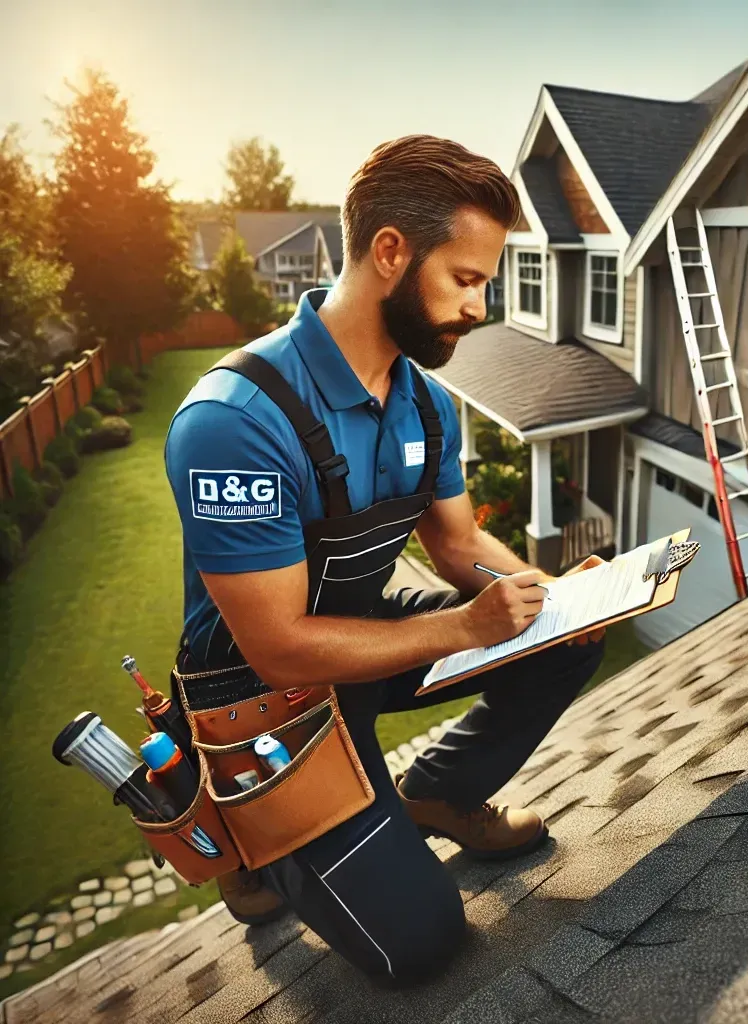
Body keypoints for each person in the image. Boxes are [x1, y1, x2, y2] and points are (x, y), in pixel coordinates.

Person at [163, 134, 606, 984]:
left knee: (565, 634)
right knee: (424, 944)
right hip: (264, 707)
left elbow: (458, 544)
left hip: (365, 643)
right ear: (392, 253)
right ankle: (257, 852)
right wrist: (464, 627)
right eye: (466, 279)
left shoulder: (426, 403)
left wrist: (561, 597)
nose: (479, 308)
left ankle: (437, 795)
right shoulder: (233, 420)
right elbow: (279, 646)